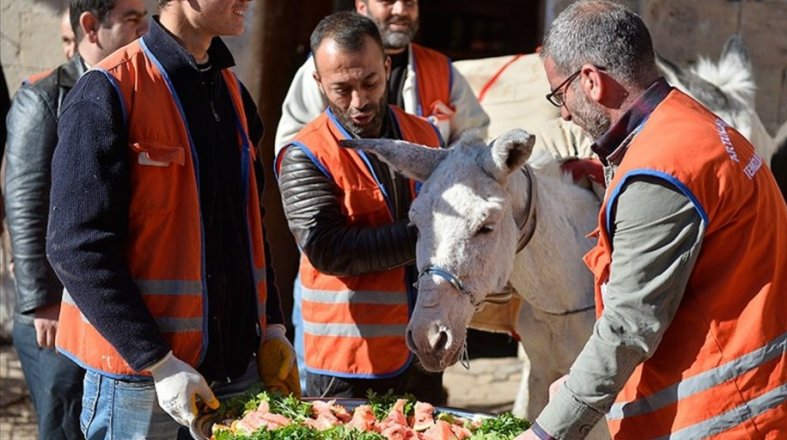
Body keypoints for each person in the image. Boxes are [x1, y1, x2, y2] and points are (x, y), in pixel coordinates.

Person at [519, 1, 787, 439]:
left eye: (559, 95)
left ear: (590, 81)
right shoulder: (692, 124)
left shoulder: (661, 169)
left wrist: (549, 429)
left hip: (739, 415)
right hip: (783, 393)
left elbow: (627, 327)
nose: (563, 113)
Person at [46, 0, 298, 437]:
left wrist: (272, 325)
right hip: (139, 383)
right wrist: (158, 362)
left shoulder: (233, 93)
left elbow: (249, 227)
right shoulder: (107, 91)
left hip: (235, 371)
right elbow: (75, 248)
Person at [276, 11, 446, 403]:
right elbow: (329, 249)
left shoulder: (425, 135)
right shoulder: (305, 154)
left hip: (424, 348)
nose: (359, 102)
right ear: (318, 82)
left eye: (370, 82)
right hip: (348, 361)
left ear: (386, 66)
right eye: (341, 89)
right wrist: (431, 233)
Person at [5, 1, 147, 438]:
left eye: (146, 17)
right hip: (55, 312)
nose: (145, 29)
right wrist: (42, 301)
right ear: (91, 27)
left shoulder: (136, 88)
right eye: (132, 19)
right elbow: (26, 202)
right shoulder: (45, 96)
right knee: (64, 423)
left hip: (106, 301)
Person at [274, 0, 489, 153]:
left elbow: (473, 137)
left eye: (409, 2)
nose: (401, 10)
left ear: (386, 68)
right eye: (388, 1)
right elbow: (295, 146)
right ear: (362, 6)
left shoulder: (441, 68)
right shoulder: (326, 67)